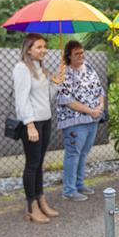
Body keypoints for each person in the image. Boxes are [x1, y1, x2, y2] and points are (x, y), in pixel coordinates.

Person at [13, 33, 58, 224]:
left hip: (45, 120)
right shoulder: (22, 68)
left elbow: (47, 97)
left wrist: (57, 82)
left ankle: (41, 200)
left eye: (44, 47)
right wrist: (30, 125)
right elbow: (21, 100)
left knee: (39, 163)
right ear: (29, 49)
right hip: (32, 123)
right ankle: (31, 206)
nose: (44, 50)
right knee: (32, 165)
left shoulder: (40, 69)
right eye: (39, 47)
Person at [56, 40, 105, 202]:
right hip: (74, 121)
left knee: (83, 153)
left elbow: (100, 89)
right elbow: (67, 100)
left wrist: (100, 106)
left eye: (82, 52)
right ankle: (69, 190)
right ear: (68, 56)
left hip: (93, 118)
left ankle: (79, 183)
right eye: (76, 54)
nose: (81, 56)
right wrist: (91, 110)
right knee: (73, 153)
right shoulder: (64, 73)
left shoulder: (89, 68)